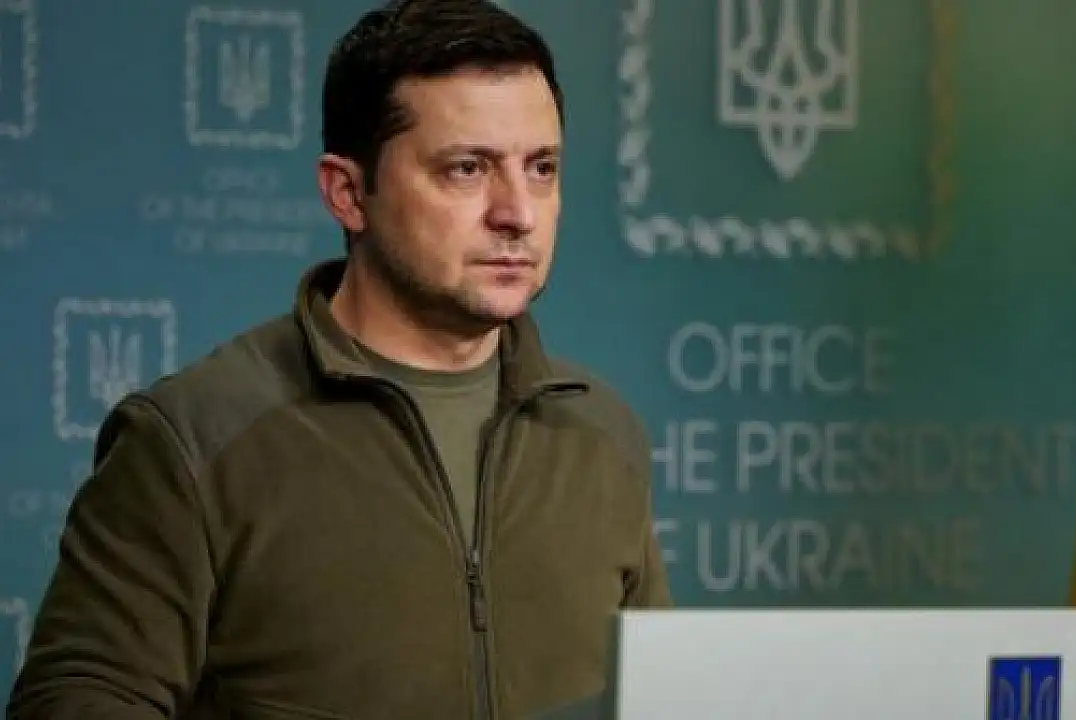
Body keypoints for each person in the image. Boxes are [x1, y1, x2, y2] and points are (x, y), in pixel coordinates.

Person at [6, 1, 672, 717]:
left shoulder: (601, 434)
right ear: (348, 193)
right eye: (467, 168)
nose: (518, 212)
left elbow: (664, 701)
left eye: (541, 168)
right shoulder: (193, 440)